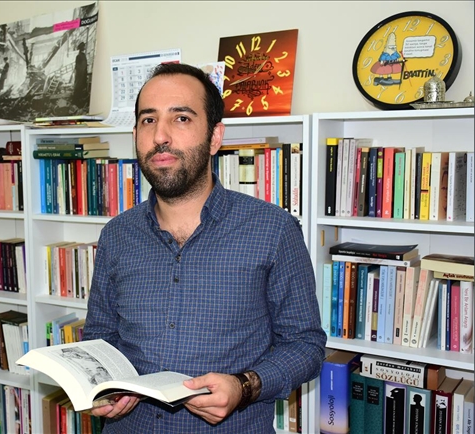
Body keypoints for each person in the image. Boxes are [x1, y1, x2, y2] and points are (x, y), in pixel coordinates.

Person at [82, 63, 326, 433]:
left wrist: (244, 386)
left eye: (181, 118)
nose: (160, 135)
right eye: (148, 120)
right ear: (135, 135)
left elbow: (305, 346)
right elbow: (100, 338)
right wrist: (103, 387)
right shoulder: (117, 234)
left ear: (215, 137)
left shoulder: (274, 230)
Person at [72, 42, 88, 108]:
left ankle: (79, 102)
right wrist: (82, 72)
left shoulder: (82, 55)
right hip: (80, 74)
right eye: (84, 46)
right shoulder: (80, 56)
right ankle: (77, 102)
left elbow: (80, 66)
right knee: (79, 87)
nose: (84, 47)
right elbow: (78, 66)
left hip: (82, 74)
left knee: (80, 87)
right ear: (81, 48)